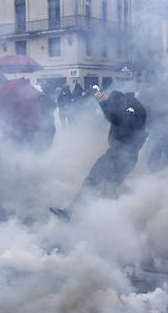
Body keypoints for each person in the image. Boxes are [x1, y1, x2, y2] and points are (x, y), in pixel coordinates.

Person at [51, 89, 148, 220]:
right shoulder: (135, 106)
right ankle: (117, 222)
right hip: (126, 156)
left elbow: (118, 119)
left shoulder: (128, 107)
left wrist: (102, 102)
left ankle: (115, 220)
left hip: (119, 155)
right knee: (108, 187)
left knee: (94, 182)